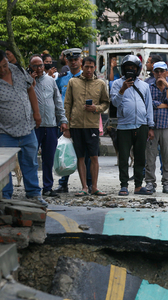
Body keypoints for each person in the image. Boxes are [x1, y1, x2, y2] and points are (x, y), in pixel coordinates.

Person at [0, 50, 47, 207]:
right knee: (4, 168)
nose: (2, 70)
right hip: (4, 133)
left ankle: (34, 194)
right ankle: (6, 197)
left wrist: (36, 113)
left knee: (30, 163)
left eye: (4, 66)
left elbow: (30, 89)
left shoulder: (18, 70)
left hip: (27, 128)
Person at [64, 57, 110, 196]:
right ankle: (84, 187)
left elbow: (106, 103)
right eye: (86, 67)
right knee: (80, 157)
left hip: (92, 125)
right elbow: (67, 104)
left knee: (94, 156)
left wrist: (95, 108)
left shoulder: (100, 83)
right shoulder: (73, 82)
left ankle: (94, 187)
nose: (89, 70)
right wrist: (66, 125)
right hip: (76, 125)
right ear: (81, 67)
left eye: (91, 67)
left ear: (95, 67)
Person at [110, 55, 155, 196]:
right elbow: (115, 103)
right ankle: (124, 185)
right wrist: (122, 89)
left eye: (133, 68)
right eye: (128, 68)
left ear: (138, 69)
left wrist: (150, 126)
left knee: (140, 157)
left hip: (141, 125)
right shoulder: (117, 84)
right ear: (123, 69)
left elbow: (149, 107)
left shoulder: (144, 85)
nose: (130, 70)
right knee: (123, 157)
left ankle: (138, 186)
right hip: (124, 125)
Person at [54, 48, 92, 193]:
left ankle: (88, 184)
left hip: (83, 121)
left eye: (76, 60)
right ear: (66, 61)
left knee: (87, 154)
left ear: (81, 61)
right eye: (70, 60)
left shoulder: (87, 77)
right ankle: (63, 183)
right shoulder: (62, 78)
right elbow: (57, 99)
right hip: (65, 121)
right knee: (65, 152)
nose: (74, 63)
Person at [30, 55, 69, 197]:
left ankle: (47, 187)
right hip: (34, 126)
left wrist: (63, 120)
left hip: (51, 125)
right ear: (30, 67)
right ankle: (33, 188)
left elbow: (58, 102)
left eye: (41, 65)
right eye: (35, 66)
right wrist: (31, 83)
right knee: (32, 158)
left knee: (49, 158)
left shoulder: (50, 81)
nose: (39, 68)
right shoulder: (27, 82)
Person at [145, 61, 168, 194]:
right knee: (150, 157)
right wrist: (165, 105)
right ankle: (150, 183)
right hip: (152, 126)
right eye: (156, 71)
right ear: (153, 72)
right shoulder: (148, 87)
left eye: (161, 71)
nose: (159, 74)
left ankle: (167, 183)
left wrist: (167, 87)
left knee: (167, 157)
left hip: (167, 126)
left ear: (166, 72)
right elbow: (149, 104)